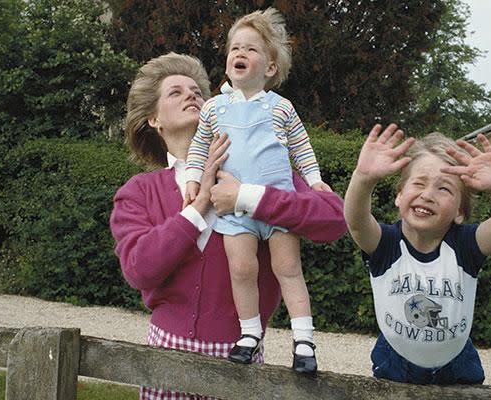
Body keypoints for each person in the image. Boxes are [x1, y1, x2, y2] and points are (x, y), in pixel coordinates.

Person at [110, 52, 347, 399]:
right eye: (175, 92)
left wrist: (248, 197)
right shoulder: (138, 192)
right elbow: (139, 270)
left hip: (240, 365)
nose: (192, 95)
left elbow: (334, 219)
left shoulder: (267, 174)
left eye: (196, 91)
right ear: (153, 120)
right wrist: (201, 202)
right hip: (164, 358)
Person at [183, 8, 329, 374]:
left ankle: (304, 340)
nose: (239, 54)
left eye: (250, 49)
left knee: (288, 269)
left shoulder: (281, 107)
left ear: (270, 68)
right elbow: (200, 147)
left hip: (278, 206)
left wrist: (313, 180)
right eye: (234, 48)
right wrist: (194, 180)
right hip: (235, 212)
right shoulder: (214, 108)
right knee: (242, 269)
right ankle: (249, 335)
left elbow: (301, 147)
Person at [343, 124, 491, 385]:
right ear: (399, 195)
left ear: (460, 212)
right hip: (395, 362)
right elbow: (356, 222)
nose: (427, 195)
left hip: (457, 363)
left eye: (444, 189)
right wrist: (363, 178)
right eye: (418, 183)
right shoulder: (386, 244)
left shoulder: (466, 246)